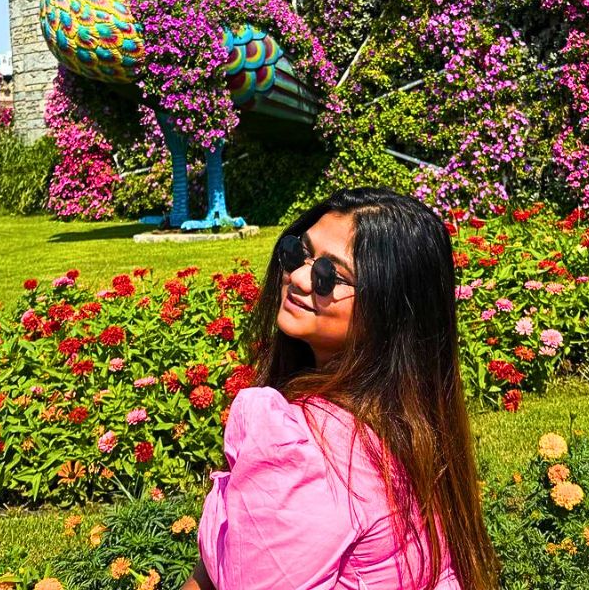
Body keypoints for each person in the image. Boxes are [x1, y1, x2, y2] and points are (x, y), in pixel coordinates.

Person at [181, 187, 499, 590]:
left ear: (389, 310)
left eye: (329, 276)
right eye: (299, 253)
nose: (296, 277)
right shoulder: (412, 425)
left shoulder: (301, 449)